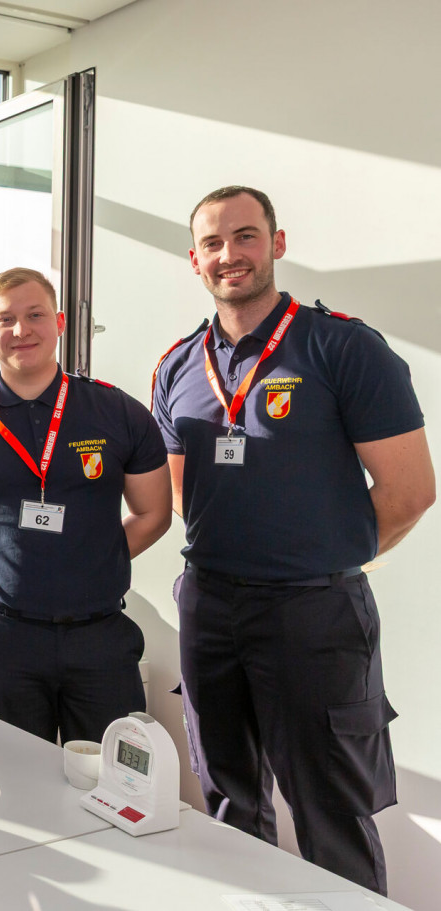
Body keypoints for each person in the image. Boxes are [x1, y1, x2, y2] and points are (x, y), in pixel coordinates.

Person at [152, 186, 435, 894]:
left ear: (276, 244)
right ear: (195, 259)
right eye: (213, 243)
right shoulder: (177, 365)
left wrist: (320, 557)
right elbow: (185, 493)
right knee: (226, 801)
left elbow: (409, 491)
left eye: (245, 236)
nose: (230, 254)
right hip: (210, 608)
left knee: (330, 812)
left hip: (314, 612)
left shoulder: (343, 346)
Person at [0, 267, 171, 745]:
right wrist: (1, 571)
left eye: (35, 315)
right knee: (13, 781)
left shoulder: (118, 412)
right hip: (0, 644)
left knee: (113, 779)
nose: (21, 330)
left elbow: (154, 513)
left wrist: (94, 560)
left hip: (101, 639)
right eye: (5, 319)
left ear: (60, 322)